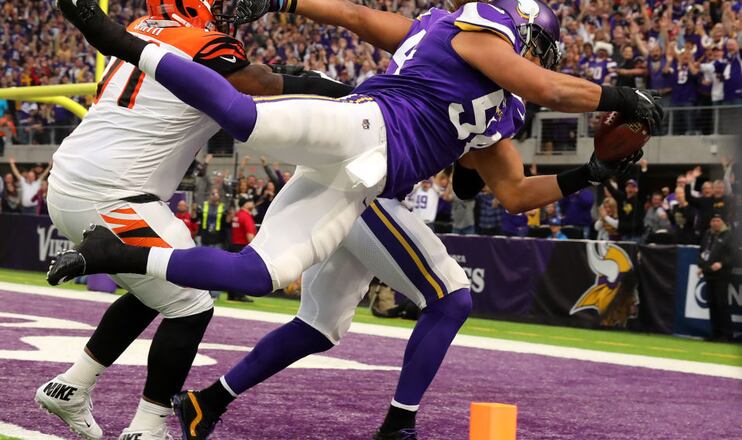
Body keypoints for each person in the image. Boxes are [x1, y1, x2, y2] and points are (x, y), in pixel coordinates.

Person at [50, 1, 660, 438]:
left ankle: (116, 255)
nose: (537, 61)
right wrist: (621, 97)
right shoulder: (474, 30)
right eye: (537, 48)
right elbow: (366, 20)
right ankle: (117, 40)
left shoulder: (499, 108)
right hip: (365, 127)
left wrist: (595, 174)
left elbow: (516, 191)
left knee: (261, 274)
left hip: (361, 185)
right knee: (243, 116)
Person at [35, 0, 354, 439]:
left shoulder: (145, 27)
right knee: (191, 303)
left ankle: (71, 385)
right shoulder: (197, 40)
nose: (227, 8)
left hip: (77, 180)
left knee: (158, 287)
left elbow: (232, 69)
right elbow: (255, 83)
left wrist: (296, 73)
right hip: (114, 194)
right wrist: (328, 89)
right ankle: (147, 427)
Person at [698, 215, 735, 342]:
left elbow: (734, 254)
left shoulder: (729, 236)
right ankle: (715, 333)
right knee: (712, 304)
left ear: (723, 222)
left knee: (721, 303)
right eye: (713, 220)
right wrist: (701, 266)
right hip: (709, 274)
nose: (715, 223)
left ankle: (727, 334)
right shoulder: (708, 235)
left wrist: (722, 263)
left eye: (718, 220)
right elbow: (702, 251)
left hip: (722, 274)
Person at [227, 198, 256, 302]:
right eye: (251, 202)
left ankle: (231, 295)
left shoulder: (237, 215)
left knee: (233, 272)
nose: (253, 204)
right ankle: (240, 295)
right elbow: (249, 235)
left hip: (234, 245)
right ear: (246, 204)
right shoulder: (246, 216)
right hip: (242, 246)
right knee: (243, 273)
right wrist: (254, 249)